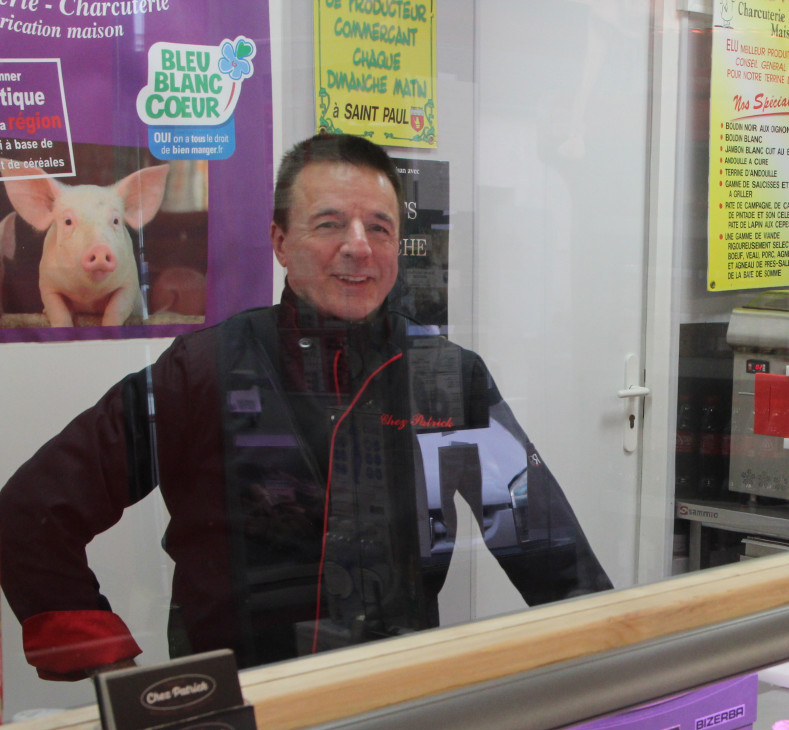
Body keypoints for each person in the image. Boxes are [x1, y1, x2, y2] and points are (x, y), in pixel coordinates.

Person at [0, 133, 612, 683]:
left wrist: (615, 671)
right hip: (239, 713)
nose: (358, 247)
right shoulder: (203, 369)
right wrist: (118, 672)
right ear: (279, 242)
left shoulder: (447, 374)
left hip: (399, 700)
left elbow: (546, 548)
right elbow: (29, 516)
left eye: (379, 227)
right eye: (328, 224)